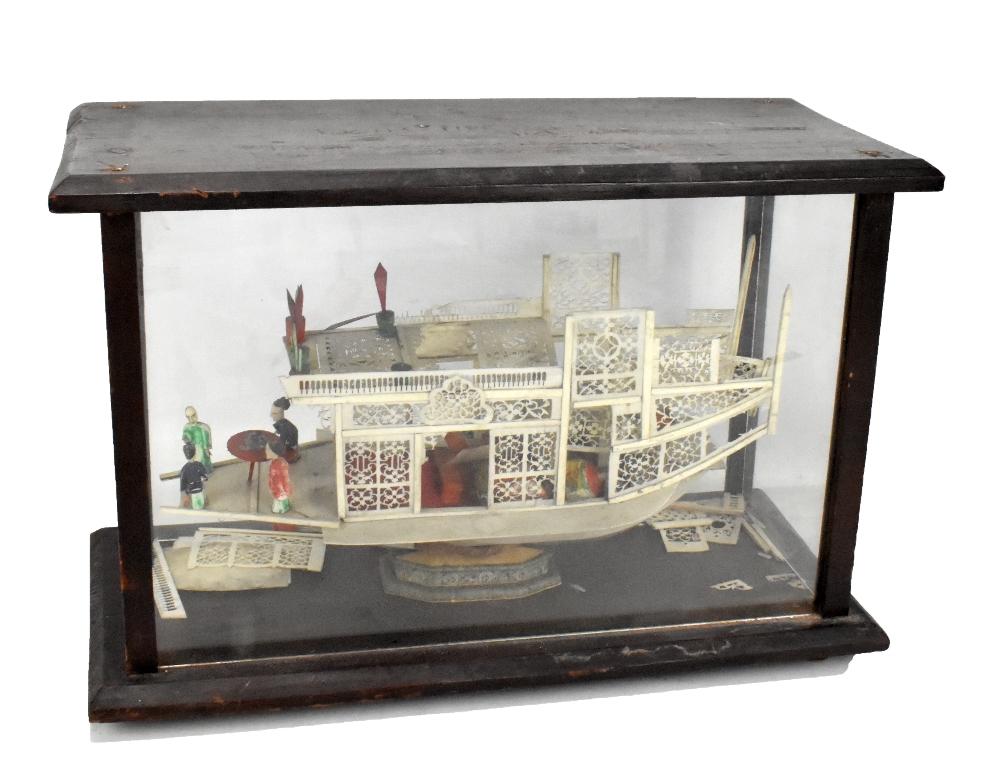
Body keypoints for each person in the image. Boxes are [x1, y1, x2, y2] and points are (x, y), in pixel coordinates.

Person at [182, 406, 213, 474]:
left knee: (204, 462)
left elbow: (206, 438)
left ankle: (205, 472)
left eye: (193, 416)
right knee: (195, 463)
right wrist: (187, 437)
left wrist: (206, 449)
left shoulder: (203, 427)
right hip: (193, 449)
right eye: (188, 417)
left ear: (196, 414)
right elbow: (185, 438)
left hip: (201, 449)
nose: (191, 419)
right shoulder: (186, 427)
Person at [265, 438, 293, 514]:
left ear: (273, 452)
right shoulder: (281, 461)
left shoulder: (276, 466)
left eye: (267, 450)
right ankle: (286, 506)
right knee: (284, 501)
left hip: (280, 492)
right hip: (284, 490)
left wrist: (277, 493)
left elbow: (278, 482)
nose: (265, 451)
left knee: (277, 506)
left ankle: (281, 510)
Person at [179, 442, 209, 509]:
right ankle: (202, 505)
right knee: (200, 501)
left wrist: (185, 494)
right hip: (199, 487)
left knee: (195, 502)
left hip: (191, 489)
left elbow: (183, 483)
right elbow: (205, 476)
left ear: (185, 455)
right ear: (195, 453)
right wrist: (204, 478)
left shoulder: (184, 469)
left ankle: (197, 508)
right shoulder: (199, 465)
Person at [270, 397, 300, 462]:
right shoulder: (284, 423)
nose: (271, 416)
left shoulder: (284, 427)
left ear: (280, 414)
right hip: (290, 448)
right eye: (271, 413)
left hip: (291, 453)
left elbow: (281, 443)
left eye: (274, 413)